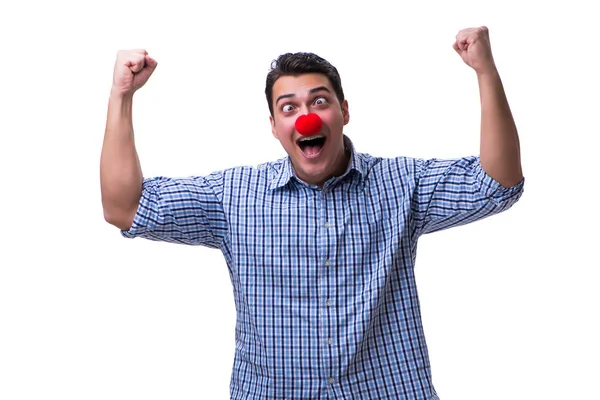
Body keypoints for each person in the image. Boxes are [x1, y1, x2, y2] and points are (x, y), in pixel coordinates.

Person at [101, 26, 524, 400]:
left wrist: (485, 70)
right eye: (289, 108)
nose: (305, 119)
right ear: (273, 125)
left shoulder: (401, 183)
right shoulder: (233, 196)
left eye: (319, 102)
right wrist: (122, 96)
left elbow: (498, 183)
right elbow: (126, 208)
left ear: (343, 111)